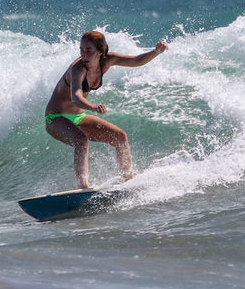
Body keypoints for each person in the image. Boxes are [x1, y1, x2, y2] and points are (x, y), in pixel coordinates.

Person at [44, 31, 169, 189]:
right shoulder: (77, 69)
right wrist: (93, 107)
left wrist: (156, 52)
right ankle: (83, 188)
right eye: (81, 50)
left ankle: (129, 181)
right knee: (81, 140)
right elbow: (75, 96)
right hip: (55, 117)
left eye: (88, 50)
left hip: (78, 117)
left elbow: (136, 60)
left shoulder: (108, 60)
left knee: (120, 137)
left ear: (100, 51)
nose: (84, 54)